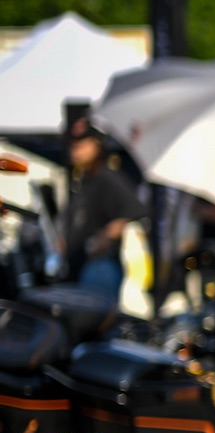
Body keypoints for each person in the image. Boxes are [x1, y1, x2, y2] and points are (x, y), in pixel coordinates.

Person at [62, 115, 145, 298]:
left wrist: (106, 235)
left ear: (96, 144)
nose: (75, 149)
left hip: (100, 267)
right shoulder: (84, 178)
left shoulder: (107, 178)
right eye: (72, 144)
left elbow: (136, 211)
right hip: (82, 265)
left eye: (81, 144)